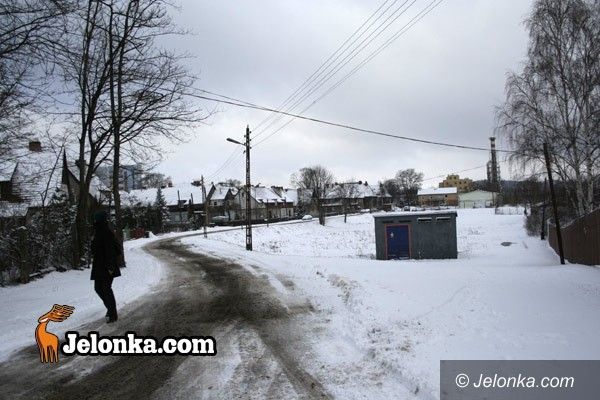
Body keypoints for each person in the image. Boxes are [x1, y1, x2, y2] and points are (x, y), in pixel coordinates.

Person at [91, 211, 122, 323]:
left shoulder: (106, 232)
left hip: (107, 267)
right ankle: (110, 309)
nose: (94, 221)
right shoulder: (98, 231)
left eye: (96, 219)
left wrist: (110, 267)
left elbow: (111, 251)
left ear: (99, 220)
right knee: (98, 289)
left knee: (106, 289)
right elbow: (95, 250)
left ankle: (113, 314)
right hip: (99, 266)